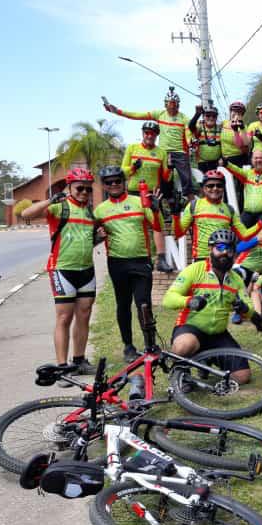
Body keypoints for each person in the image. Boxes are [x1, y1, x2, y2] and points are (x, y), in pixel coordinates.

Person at [21, 167, 100, 378]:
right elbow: (25, 214)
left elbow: (87, 241)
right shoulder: (60, 208)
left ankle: (79, 360)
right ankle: (63, 368)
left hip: (86, 270)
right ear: (70, 187)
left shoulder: (90, 212)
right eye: (80, 188)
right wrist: (50, 200)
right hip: (62, 269)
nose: (84, 192)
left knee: (84, 315)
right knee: (64, 318)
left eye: (88, 189)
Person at [163, 229, 262, 384]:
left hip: (218, 334)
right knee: (184, 346)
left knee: (242, 377)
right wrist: (190, 301)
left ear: (234, 254)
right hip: (191, 328)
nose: (224, 253)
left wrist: (244, 308)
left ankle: (206, 359)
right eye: (220, 248)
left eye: (229, 249)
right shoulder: (195, 270)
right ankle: (182, 376)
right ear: (211, 249)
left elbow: (249, 307)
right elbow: (168, 299)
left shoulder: (236, 279)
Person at [93, 166, 161, 360]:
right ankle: (128, 346)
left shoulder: (140, 202)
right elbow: (91, 237)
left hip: (141, 262)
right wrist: (97, 236)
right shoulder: (100, 210)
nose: (114, 184)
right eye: (109, 182)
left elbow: (156, 225)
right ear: (104, 186)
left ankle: (150, 344)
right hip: (117, 263)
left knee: (144, 304)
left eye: (117, 180)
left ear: (123, 182)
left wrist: (155, 210)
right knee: (123, 305)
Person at [104, 87, 193, 197]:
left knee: (187, 179)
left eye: (174, 104)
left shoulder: (184, 118)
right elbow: (137, 115)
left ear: (178, 105)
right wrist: (118, 111)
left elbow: (188, 133)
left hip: (180, 152)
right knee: (164, 182)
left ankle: (189, 201)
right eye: (169, 104)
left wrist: (190, 142)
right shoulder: (160, 114)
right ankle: (168, 201)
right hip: (164, 151)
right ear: (165, 104)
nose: (172, 106)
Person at [173, 170, 262, 262]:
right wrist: (175, 216)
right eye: (210, 185)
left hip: (222, 260)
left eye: (219, 185)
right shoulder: (194, 205)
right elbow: (178, 234)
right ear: (203, 188)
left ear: (223, 188)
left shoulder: (229, 210)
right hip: (202, 260)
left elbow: (245, 235)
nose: (215, 188)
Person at [121, 121, 172, 271]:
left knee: (158, 225)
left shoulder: (161, 152)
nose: (149, 136)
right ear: (143, 133)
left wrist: (169, 168)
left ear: (156, 135)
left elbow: (166, 178)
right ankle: (143, 259)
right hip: (134, 193)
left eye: (153, 133)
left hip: (152, 194)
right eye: (147, 133)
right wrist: (133, 167)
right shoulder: (132, 148)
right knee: (136, 226)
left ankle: (161, 260)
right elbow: (122, 171)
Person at [226, 149, 262, 226]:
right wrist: (226, 164)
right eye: (256, 158)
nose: (258, 160)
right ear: (251, 160)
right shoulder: (248, 174)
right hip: (248, 213)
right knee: (239, 230)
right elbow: (236, 170)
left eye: (261, 158)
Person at [188, 104, 223, 176]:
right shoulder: (200, 128)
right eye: (208, 116)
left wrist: (222, 158)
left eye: (214, 116)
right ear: (203, 117)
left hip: (217, 163)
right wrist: (197, 114)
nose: (211, 118)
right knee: (204, 184)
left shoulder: (220, 129)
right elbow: (191, 126)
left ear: (216, 118)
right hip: (203, 163)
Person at [220, 101, 247, 168]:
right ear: (230, 112)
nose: (236, 114)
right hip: (225, 158)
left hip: (239, 158)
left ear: (242, 115)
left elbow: (241, 145)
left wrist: (236, 130)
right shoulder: (224, 124)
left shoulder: (244, 127)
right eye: (234, 111)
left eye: (239, 113)